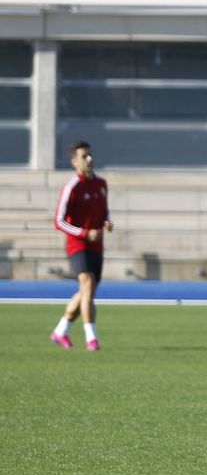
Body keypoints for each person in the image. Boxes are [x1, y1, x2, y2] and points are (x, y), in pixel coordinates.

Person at [49, 141, 112, 351]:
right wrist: (84, 233)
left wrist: (106, 222)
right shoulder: (72, 187)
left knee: (87, 292)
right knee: (87, 284)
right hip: (77, 245)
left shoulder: (101, 184)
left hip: (97, 246)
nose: (90, 159)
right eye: (84, 156)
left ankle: (60, 331)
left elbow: (104, 211)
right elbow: (58, 221)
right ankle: (91, 339)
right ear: (75, 162)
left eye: (90, 155)